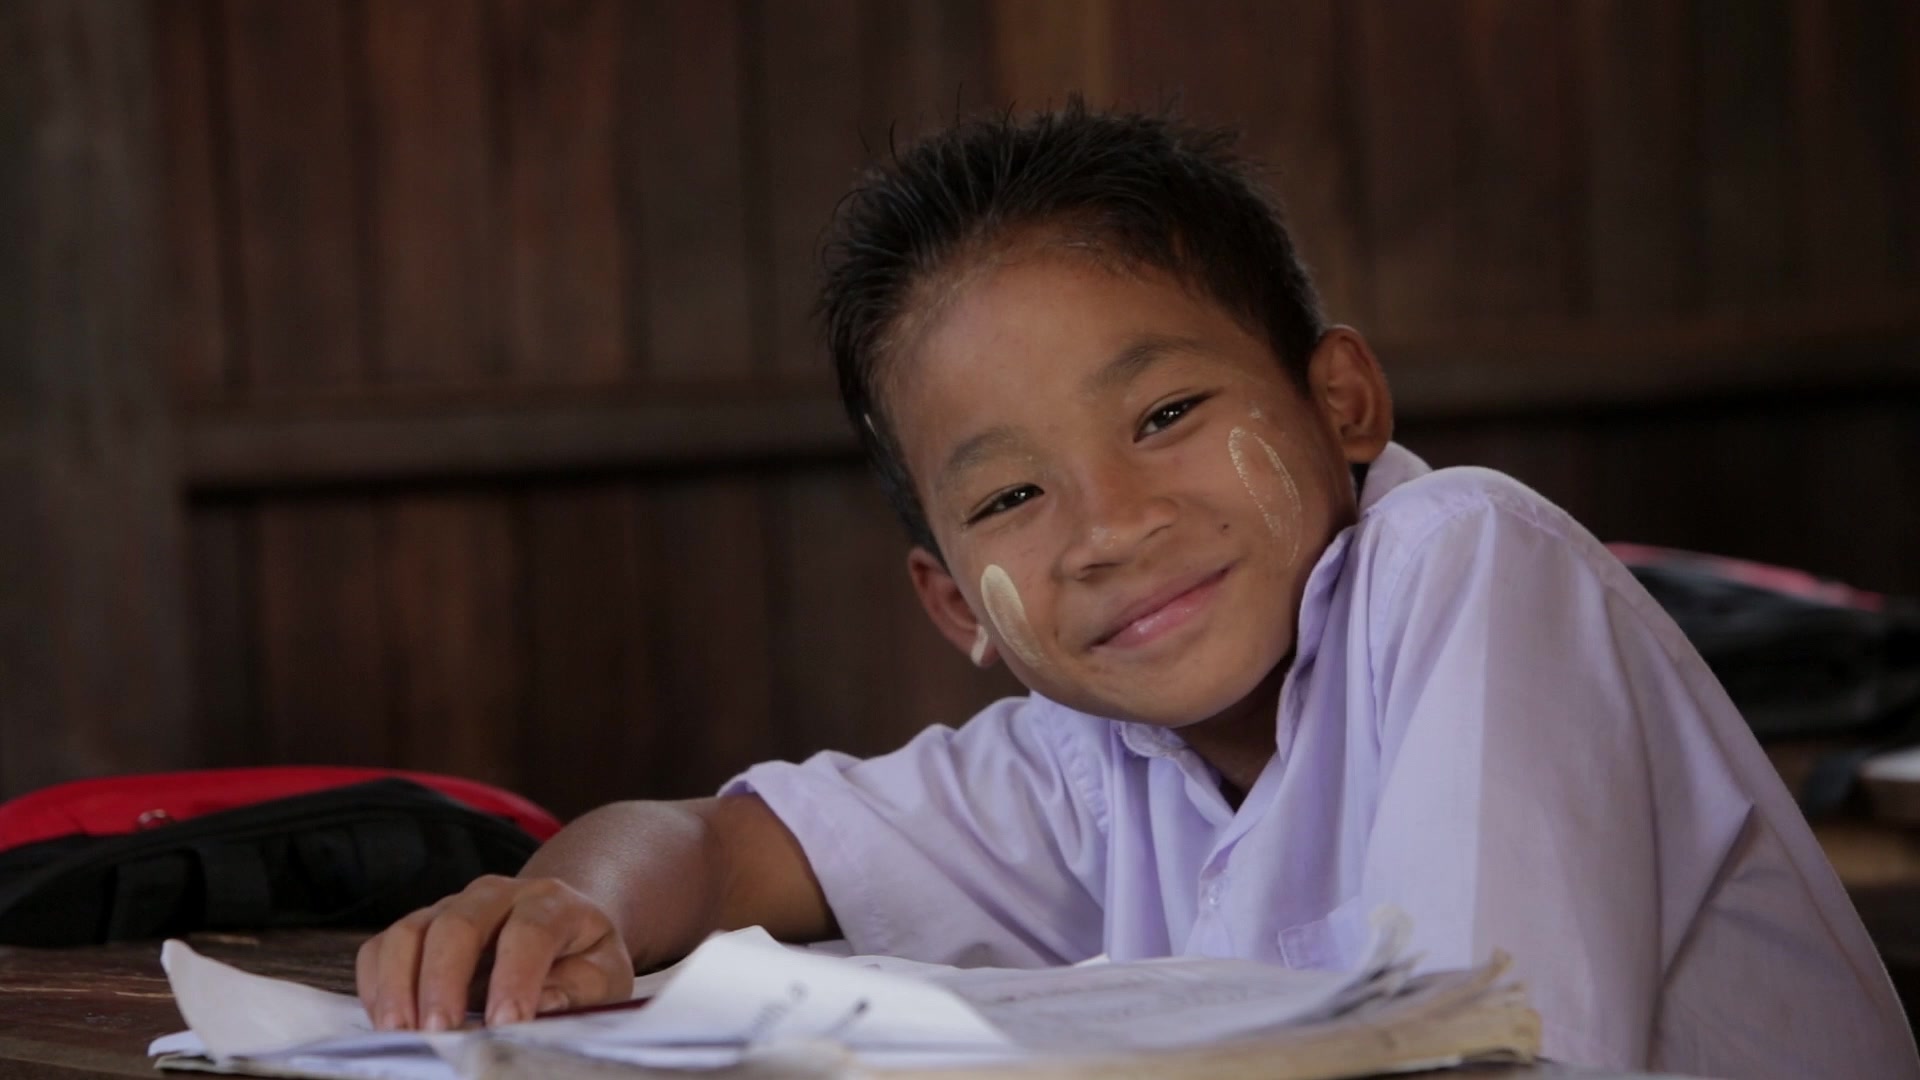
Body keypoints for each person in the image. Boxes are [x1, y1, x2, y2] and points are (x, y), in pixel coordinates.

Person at [356, 104, 1919, 1077]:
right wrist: (564, 904)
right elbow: (710, 844)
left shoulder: (1466, 565)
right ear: (958, 603)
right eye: (1014, 496)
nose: (1106, 527)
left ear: (1342, 403)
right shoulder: (1086, 765)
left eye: (1166, 416)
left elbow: (1479, 1059)